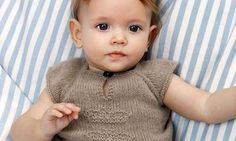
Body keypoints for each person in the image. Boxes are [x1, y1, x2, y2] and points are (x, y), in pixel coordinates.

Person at [10, 0, 236, 140]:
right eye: (103, 26)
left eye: (134, 28)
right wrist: (42, 129)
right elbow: (19, 131)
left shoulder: (155, 78)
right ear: (78, 34)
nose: (119, 38)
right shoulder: (64, 78)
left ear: (150, 37)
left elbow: (206, 106)